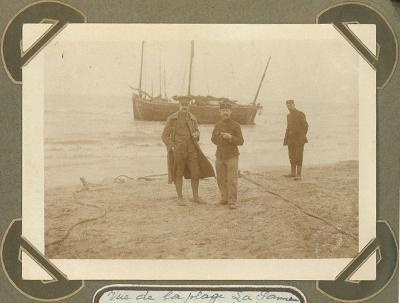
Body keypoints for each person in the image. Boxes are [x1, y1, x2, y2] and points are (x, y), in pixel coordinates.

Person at [161, 96, 215, 205]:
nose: (184, 107)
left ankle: (195, 197)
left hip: (192, 151)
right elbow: (164, 136)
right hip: (178, 151)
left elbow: (197, 134)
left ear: (189, 106)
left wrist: (197, 135)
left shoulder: (193, 118)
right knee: (178, 173)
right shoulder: (172, 119)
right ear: (179, 105)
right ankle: (180, 198)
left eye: (186, 105)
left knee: (196, 173)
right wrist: (171, 146)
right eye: (182, 105)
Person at [211, 101, 244, 209]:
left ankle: (232, 201)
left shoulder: (236, 125)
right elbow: (213, 139)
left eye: (227, 111)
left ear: (231, 112)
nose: (225, 113)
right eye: (223, 110)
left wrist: (230, 137)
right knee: (220, 179)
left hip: (232, 157)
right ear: (220, 112)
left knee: (232, 180)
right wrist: (218, 139)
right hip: (219, 156)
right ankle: (224, 198)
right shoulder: (217, 125)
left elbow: (241, 141)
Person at [283, 99, 309, 180]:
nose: (289, 107)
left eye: (290, 105)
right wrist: (286, 139)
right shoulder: (288, 116)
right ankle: (293, 173)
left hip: (299, 140)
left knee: (299, 156)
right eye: (287, 105)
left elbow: (306, 126)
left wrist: (302, 136)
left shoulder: (300, 114)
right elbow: (288, 128)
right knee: (291, 156)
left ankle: (299, 175)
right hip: (291, 140)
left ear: (294, 105)